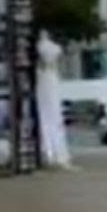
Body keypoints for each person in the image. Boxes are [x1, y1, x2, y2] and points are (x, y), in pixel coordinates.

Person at [36, 30, 75, 169]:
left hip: (43, 78)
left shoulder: (40, 47)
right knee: (53, 113)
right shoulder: (54, 48)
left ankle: (49, 150)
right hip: (51, 77)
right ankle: (55, 151)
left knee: (46, 113)